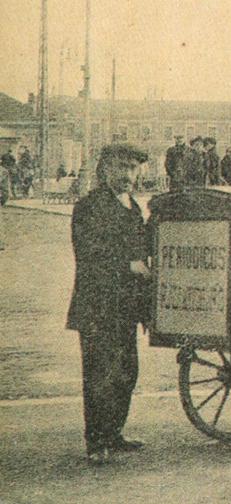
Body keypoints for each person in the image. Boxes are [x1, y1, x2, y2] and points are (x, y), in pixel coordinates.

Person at [66, 143, 153, 464]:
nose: (128, 174)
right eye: (121, 167)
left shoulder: (133, 207)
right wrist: (128, 265)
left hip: (125, 308)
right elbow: (89, 254)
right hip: (97, 306)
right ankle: (96, 441)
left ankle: (114, 433)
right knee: (100, 374)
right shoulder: (90, 206)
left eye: (133, 168)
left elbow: (144, 246)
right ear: (105, 170)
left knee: (126, 372)